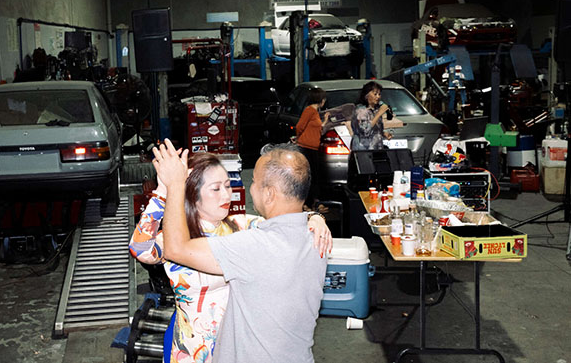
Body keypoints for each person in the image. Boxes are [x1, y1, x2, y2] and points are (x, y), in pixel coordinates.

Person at [129, 152, 331, 363]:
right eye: (216, 189)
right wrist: (164, 192)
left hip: (239, 349)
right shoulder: (174, 238)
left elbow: (284, 221)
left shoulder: (241, 226)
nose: (226, 196)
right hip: (194, 351)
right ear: (192, 194)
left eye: (227, 186)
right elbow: (140, 248)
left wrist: (314, 217)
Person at [295, 87, 329, 208]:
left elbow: (316, 128)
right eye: (324, 99)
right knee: (309, 176)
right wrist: (298, 137)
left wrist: (325, 121)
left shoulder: (315, 112)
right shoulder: (309, 110)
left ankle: (312, 202)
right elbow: (299, 126)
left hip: (312, 148)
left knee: (314, 176)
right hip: (306, 147)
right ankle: (308, 203)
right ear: (321, 100)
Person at [350, 81, 393, 151]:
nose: (378, 97)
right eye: (375, 94)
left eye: (379, 94)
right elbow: (365, 130)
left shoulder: (375, 110)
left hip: (376, 148)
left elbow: (375, 128)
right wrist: (379, 114)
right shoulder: (361, 111)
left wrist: (383, 133)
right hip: (363, 149)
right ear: (366, 95)